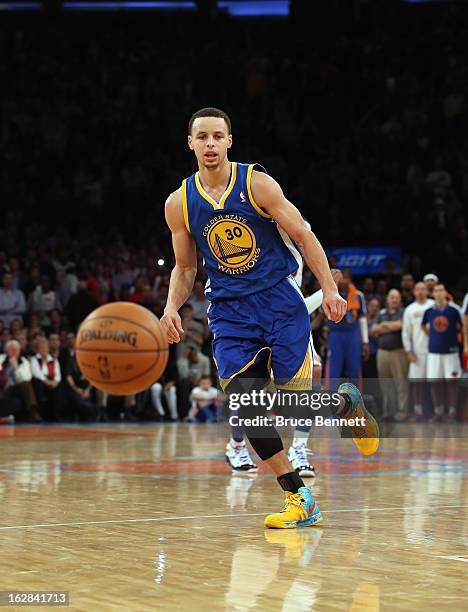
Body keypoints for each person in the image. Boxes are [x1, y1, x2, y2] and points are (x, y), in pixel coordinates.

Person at [160, 107, 379, 529]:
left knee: (293, 404)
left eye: (217, 136)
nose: (209, 144)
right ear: (190, 143)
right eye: (201, 137)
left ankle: (342, 402)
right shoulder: (179, 203)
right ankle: (299, 498)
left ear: (229, 141)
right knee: (246, 406)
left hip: (279, 301)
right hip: (228, 312)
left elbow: (303, 234)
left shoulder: (257, 183)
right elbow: (185, 268)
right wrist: (171, 307)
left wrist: (330, 289)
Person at [422, 283, 463, 422]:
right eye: (436, 291)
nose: (439, 293)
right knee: (435, 382)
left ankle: (451, 412)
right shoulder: (429, 311)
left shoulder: (454, 310)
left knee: (452, 383)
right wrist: (432, 337)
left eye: (441, 290)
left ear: (445, 292)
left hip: (451, 352)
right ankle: (438, 411)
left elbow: (463, 327)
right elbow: (423, 325)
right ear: (432, 294)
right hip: (434, 352)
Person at [324, 270, 369, 388]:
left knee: (354, 367)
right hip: (335, 333)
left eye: (347, 278)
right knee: (333, 368)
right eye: (342, 278)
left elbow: (362, 319)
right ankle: (331, 399)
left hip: (352, 333)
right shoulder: (329, 293)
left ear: (350, 280)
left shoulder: (358, 295)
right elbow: (322, 314)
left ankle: (356, 399)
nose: (344, 281)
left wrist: (365, 342)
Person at [371, 289, 409, 421]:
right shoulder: (381, 313)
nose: (394, 300)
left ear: (400, 300)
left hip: (398, 352)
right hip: (382, 353)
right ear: (387, 299)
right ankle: (388, 413)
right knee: (385, 384)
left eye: (397, 298)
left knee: (401, 383)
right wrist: (388, 326)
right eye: (392, 297)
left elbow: (400, 326)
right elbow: (373, 329)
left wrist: (383, 326)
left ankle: (403, 412)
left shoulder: (404, 312)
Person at [402, 282, 434, 422]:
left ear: (427, 291)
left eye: (423, 289)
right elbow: (406, 332)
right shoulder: (410, 309)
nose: (420, 292)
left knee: (435, 383)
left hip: (435, 351)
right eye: (418, 289)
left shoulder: (433, 305)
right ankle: (417, 410)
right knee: (416, 382)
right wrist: (408, 350)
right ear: (414, 292)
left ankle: (435, 411)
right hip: (417, 351)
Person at [0, 339, 41, 421]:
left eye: (16, 349)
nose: (14, 352)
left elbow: (25, 379)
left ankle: (33, 410)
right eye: (12, 349)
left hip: (15, 389)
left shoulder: (24, 362)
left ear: (20, 351)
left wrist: (16, 367)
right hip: (2, 388)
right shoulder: (1, 359)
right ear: (6, 350)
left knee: (26, 384)